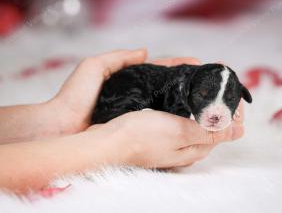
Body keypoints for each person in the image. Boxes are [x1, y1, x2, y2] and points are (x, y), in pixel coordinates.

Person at [0, 49, 244, 194]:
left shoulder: (188, 81)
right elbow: (174, 109)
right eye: (203, 95)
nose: (216, 112)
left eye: (229, 100)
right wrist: (116, 144)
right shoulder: (178, 86)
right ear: (186, 88)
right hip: (125, 93)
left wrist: (59, 117)